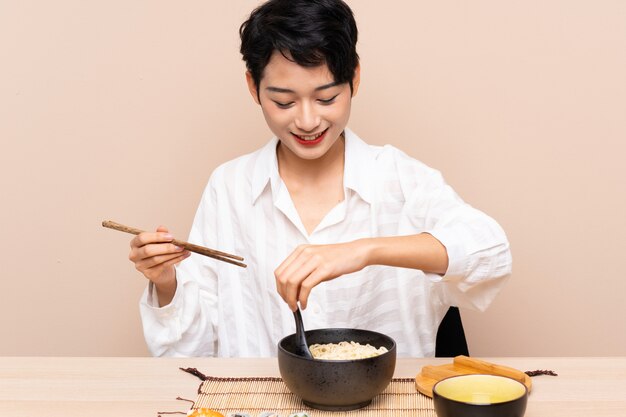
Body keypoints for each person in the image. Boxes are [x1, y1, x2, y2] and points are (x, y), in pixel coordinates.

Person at [129, 0, 512, 357]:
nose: (308, 121)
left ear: (354, 79)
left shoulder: (398, 177)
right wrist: (165, 281)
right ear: (253, 87)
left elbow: (490, 252)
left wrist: (363, 250)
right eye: (284, 102)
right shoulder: (230, 186)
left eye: (326, 98)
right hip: (261, 406)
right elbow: (190, 350)